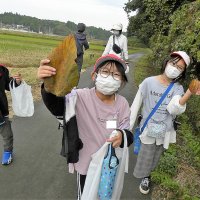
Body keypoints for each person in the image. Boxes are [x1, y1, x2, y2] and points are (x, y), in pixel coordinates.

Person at [37, 54, 133, 199]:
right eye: (105, 72)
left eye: (116, 75)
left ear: (122, 81)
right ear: (94, 76)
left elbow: (127, 132)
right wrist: (47, 86)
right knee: (86, 196)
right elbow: (58, 107)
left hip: (110, 165)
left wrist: (122, 135)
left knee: (107, 194)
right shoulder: (79, 97)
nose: (110, 77)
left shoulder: (122, 104)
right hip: (86, 165)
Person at [129, 51, 200, 194]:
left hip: (164, 129)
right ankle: (145, 176)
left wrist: (189, 93)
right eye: (173, 63)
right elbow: (136, 105)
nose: (175, 68)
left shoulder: (177, 88)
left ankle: (148, 175)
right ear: (166, 62)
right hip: (148, 127)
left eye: (180, 68)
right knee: (146, 154)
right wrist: (126, 129)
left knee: (156, 155)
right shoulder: (148, 82)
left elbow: (173, 108)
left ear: (182, 73)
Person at [0, 64, 22, 165]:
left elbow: (8, 85)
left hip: (2, 109)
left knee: (6, 133)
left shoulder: (3, 69)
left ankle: (7, 152)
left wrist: (16, 81)